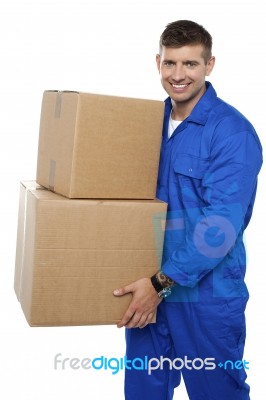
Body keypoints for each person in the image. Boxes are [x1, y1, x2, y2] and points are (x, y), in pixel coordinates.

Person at [113, 20, 263, 400]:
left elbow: (222, 225)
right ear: (158, 63)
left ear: (210, 64)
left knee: (217, 393)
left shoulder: (232, 132)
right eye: (170, 64)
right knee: (143, 390)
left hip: (205, 294)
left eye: (190, 64)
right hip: (145, 285)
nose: (178, 75)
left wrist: (160, 284)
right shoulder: (145, 124)